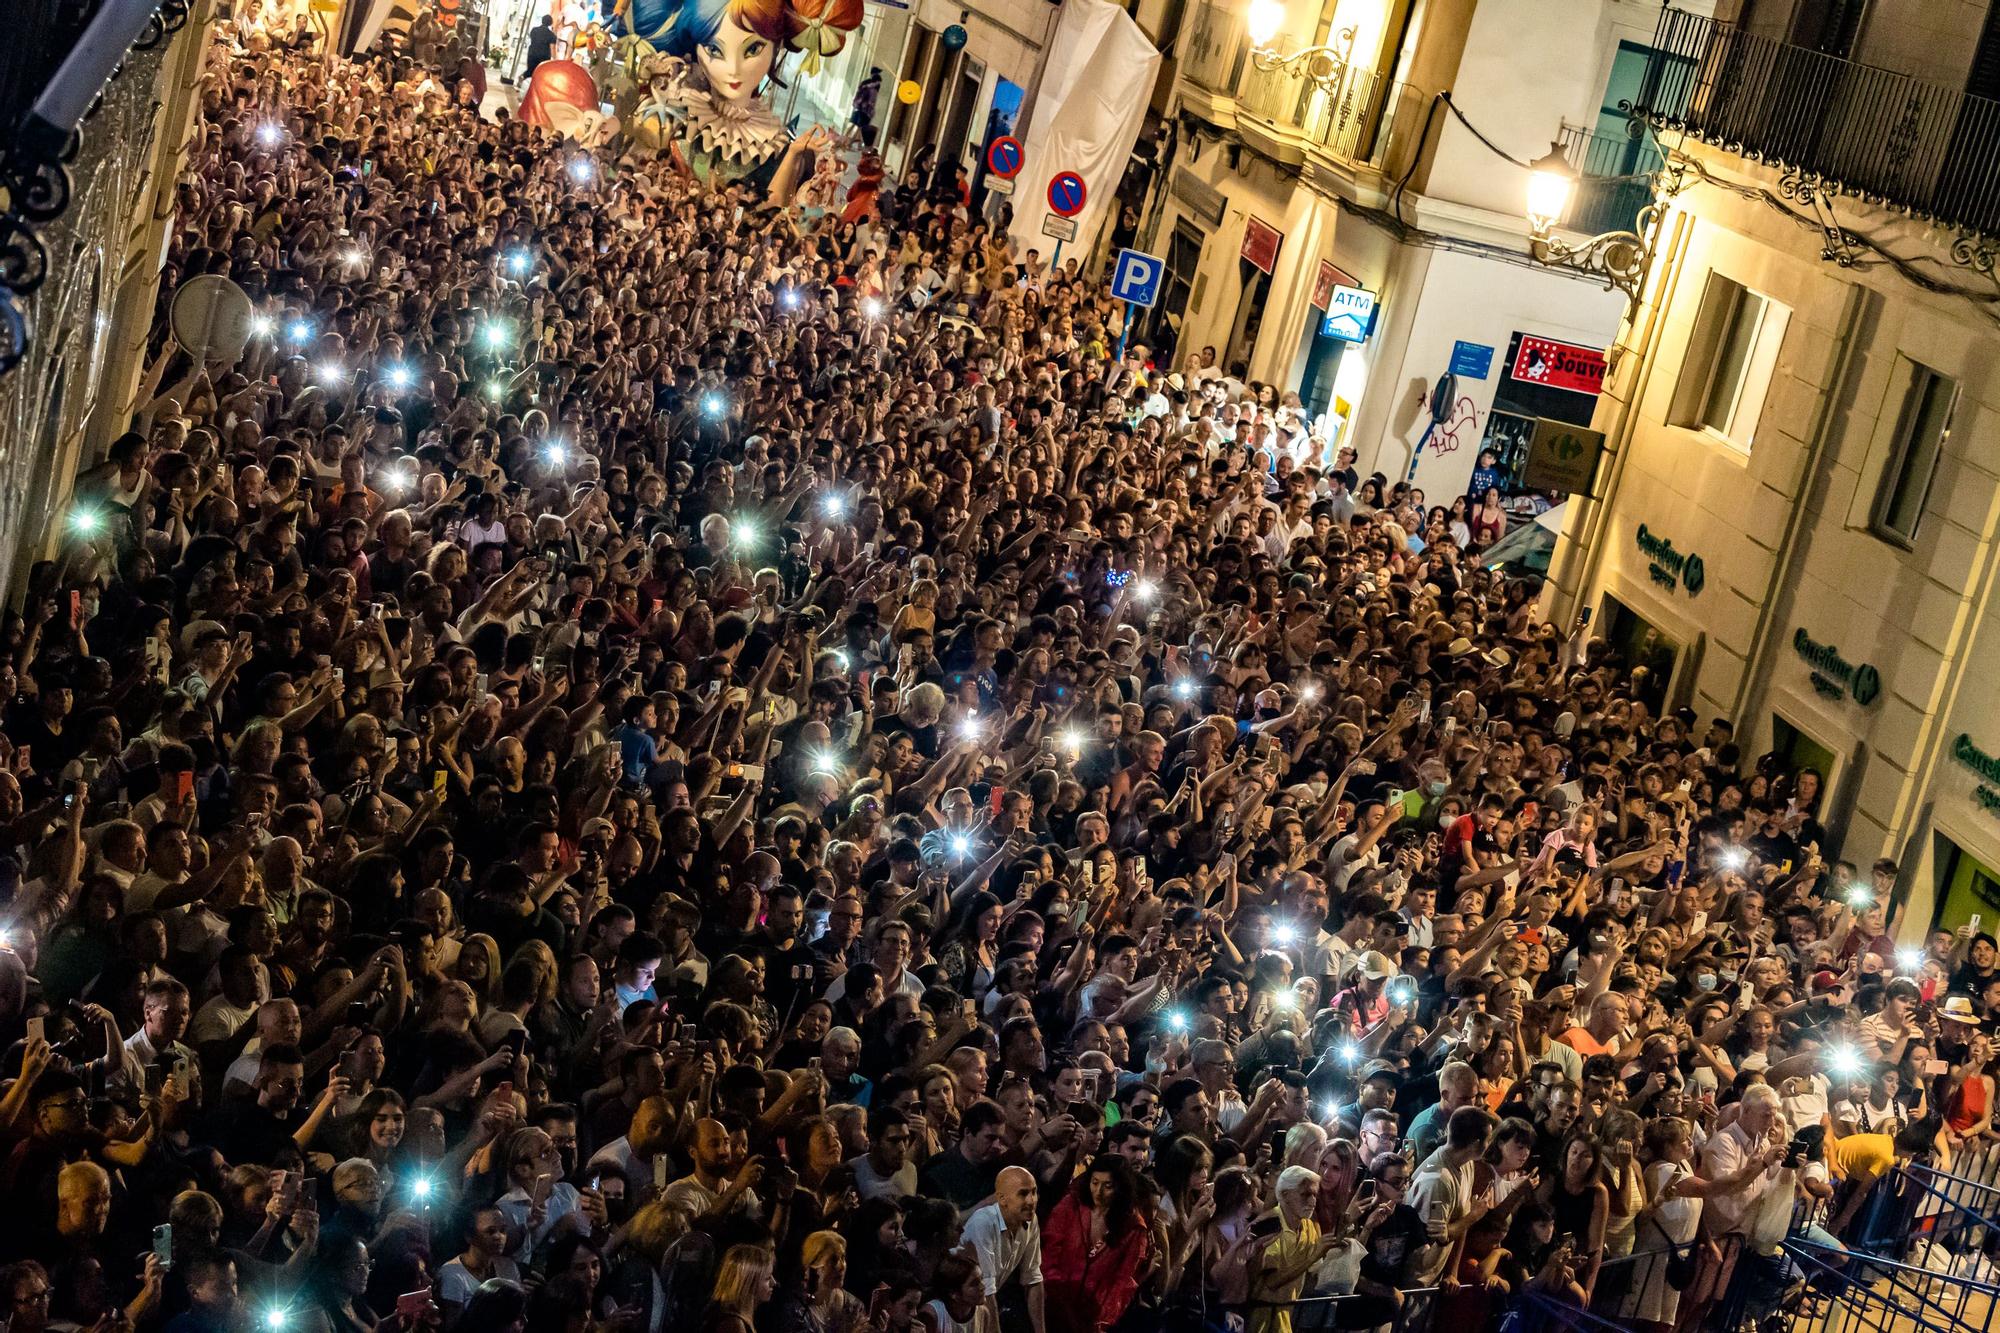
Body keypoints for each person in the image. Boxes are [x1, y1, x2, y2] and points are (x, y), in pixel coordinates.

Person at [1039, 1156, 1149, 1333]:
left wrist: (1103, 1319)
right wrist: (1056, 1296)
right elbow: (1049, 1252)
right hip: (1052, 1304)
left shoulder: (1133, 1227)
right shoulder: (1071, 1205)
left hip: (1092, 1318)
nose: (1098, 1191)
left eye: (1108, 1186)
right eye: (1095, 1182)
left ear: (1121, 1187)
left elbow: (1122, 1281)